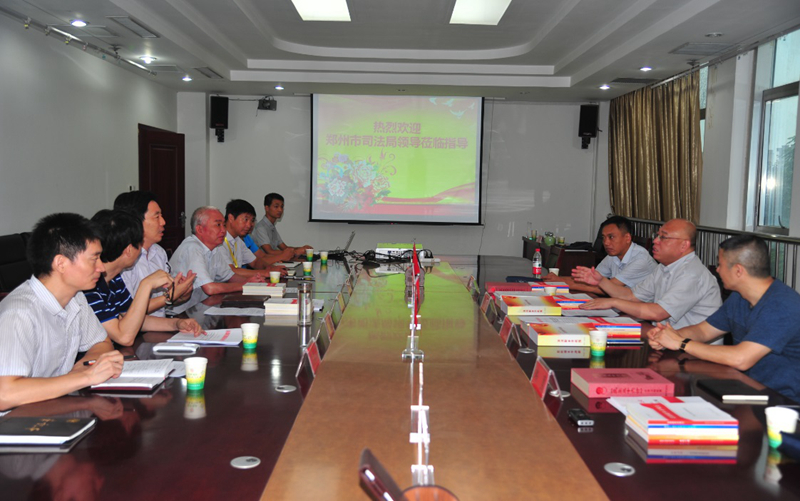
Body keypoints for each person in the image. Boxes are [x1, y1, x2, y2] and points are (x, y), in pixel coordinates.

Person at [648, 235, 800, 401]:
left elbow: (741, 358)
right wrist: (667, 336)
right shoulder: (739, 297)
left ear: (738, 270)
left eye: (720, 264)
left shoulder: (782, 305)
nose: (718, 270)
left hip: (783, 401)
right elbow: (703, 331)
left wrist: (681, 343)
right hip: (747, 387)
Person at [0, 213, 124, 412]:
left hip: (56, 409)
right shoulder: (19, 313)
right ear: (61, 263)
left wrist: (79, 373)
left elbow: (101, 343)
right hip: (17, 422)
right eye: (94, 259)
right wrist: (85, 377)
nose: (101, 267)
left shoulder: (76, 298)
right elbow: (4, 395)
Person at [83, 210, 203, 347]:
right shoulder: (89, 287)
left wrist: (176, 323)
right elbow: (124, 337)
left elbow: (133, 318)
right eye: (140, 243)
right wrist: (146, 285)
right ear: (129, 250)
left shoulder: (114, 279)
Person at [580, 218, 721, 331]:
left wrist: (612, 302)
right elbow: (631, 296)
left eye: (663, 237)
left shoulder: (692, 274)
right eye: (657, 236)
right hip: (664, 338)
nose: (655, 241)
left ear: (684, 245)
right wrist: (602, 281)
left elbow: (658, 313)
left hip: (691, 350)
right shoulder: (663, 267)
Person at [114, 191, 196, 316]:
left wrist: (181, 295)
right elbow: (127, 311)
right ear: (135, 221)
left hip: (160, 324)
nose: (163, 222)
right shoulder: (123, 258)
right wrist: (169, 297)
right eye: (156, 217)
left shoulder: (159, 252)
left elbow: (164, 302)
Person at [551, 216, 656, 293]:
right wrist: (557, 279)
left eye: (611, 237)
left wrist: (561, 282)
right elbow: (593, 279)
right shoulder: (613, 255)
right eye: (604, 237)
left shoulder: (640, 260)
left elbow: (607, 289)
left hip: (643, 311)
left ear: (627, 238)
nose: (606, 243)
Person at [169, 206, 248, 296]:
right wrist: (243, 286)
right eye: (218, 225)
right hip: (184, 305)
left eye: (224, 225)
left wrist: (252, 282)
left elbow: (230, 276)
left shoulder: (215, 248)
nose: (224, 231)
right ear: (200, 229)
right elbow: (210, 288)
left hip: (203, 302)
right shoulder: (192, 248)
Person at [215, 199, 289, 277]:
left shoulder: (238, 240)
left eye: (252, 220)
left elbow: (255, 262)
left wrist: (271, 268)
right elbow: (232, 271)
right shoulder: (219, 241)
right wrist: (266, 273)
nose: (249, 225)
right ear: (231, 218)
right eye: (246, 219)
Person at [252, 193, 311, 259]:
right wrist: (296, 252)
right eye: (276, 206)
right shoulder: (261, 228)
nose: (280, 210)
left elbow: (285, 248)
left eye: (282, 207)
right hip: (262, 264)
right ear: (267, 208)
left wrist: (302, 248)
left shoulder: (271, 227)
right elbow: (269, 252)